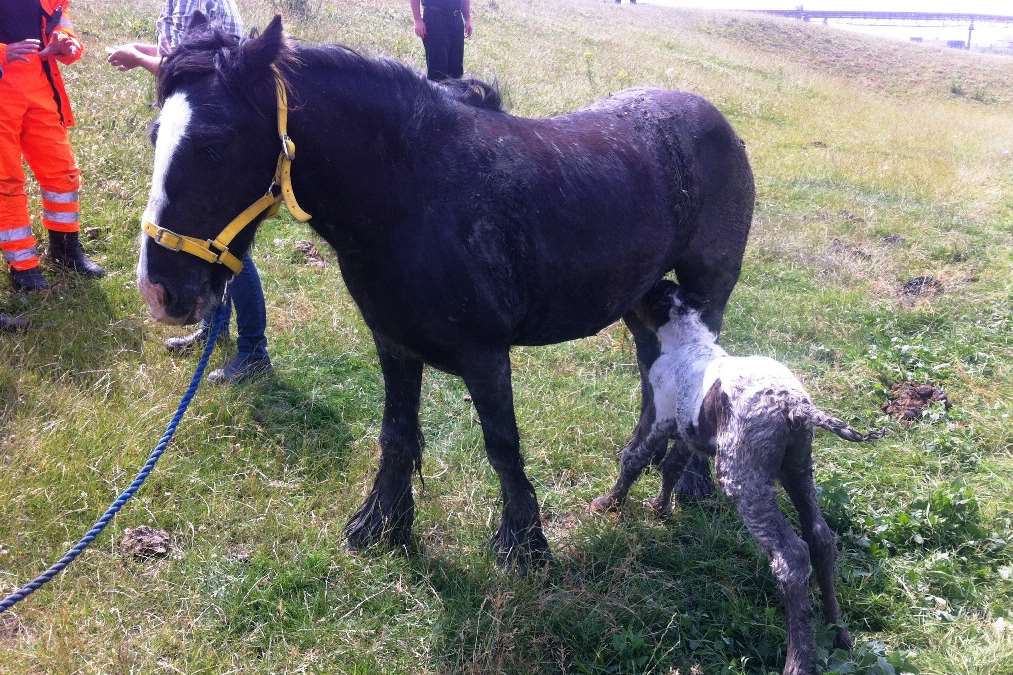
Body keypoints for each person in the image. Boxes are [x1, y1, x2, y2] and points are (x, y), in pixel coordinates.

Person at [107, 1, 272, 386]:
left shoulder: (204, 2)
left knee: (228, 251)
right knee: (209, 244)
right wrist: (147, 52)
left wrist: (138, 58)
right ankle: (212, 324)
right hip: (191, 128)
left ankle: (253, 350)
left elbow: (207, 72)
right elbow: (181, 54)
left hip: (205, 136)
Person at [0, 0, 106, 295]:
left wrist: (65, 42)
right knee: (6, 182)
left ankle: (64, 251)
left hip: (39, 85)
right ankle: (22, 268)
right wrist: (4, 53)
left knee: (63, 173)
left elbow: (60, 19)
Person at [410, 0, 473, 81]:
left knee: (456, 70)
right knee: (438, 72)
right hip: (435, 19)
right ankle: (436, 93)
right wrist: (417, 19)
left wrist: (467, 18)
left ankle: (454, 93)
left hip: (456, 18)